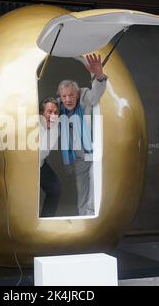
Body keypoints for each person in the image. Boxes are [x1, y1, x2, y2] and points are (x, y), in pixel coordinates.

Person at [57, 53, 107, 216]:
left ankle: (91, 213)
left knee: (94, 181)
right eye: (64, 96)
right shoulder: (59, 106)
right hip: (77, 157)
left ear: (77, 94)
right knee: (82, 190)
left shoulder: (85, 96)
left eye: (71, 95)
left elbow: (96, 95)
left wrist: (99, 76)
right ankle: (83, 219)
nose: (68, 99)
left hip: (91, 153)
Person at [39, 97, 61, 217]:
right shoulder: (32, 128)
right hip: (28, 166)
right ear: (41, 113)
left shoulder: (55, 128)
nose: (53, 115)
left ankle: (46, 219)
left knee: (55, 189)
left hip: (40, 163)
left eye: (56, 112)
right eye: (49, 111)